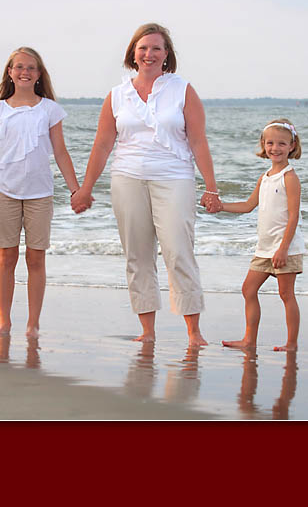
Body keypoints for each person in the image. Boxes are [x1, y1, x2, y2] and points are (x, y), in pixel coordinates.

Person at [72, 23, 220, 347]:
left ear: (167, 55)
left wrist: (211, 187)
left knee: (178, 252)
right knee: (137, 255)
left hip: (174, 177)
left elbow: (198, 140)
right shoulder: (117, 95)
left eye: (156, 48)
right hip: (127, 178)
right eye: (143, 48)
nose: (149, 54)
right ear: (133, 54)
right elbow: (101, 145)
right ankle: (147, 332)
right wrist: (85, 188)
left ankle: (194, 333)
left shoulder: (182, 90)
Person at [0, 47, 80, 338]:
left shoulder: (49, 109)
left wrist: (77, 190)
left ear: (39, 75)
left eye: (31, 68)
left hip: (40, 194)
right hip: (6, 192)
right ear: (10, 72)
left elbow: (61, 152)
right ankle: (4, 322)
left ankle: (33, 324)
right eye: (19, 67)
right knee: (6, 257)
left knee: (36, 259)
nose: (25, 72)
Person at [219, 119, 304, 352]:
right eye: (270, 143)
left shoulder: (289, 177)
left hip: (285, 248)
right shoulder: (265, 177)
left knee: (286, 294)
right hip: (264, 248)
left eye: (281, 144)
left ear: (292, 146)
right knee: (248, 289)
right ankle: (249, 340)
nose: (275, 148)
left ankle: (291, 344)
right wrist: (221, 206)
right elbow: (248, 206)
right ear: (263, 145)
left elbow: (294, 216)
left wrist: (283, 249)